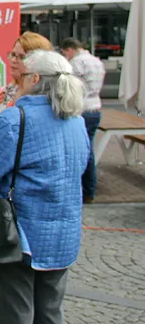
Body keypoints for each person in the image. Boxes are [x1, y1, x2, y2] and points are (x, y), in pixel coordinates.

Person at [0, 51, 89, 324]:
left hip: (21, 236)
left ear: (34, 80)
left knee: (15, 318)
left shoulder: (13, 119)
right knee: (50, 313)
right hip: (64, 235)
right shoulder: (76, 122)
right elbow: (80, 170)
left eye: (22, 76)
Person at [0, 31, 53, 324]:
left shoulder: (50, 100)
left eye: (21, 57)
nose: (14, 62)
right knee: (4, 261)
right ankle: (6, 323)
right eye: (12, 55)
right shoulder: (3, 95)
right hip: (4, 195)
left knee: (40, 273)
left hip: (36, 195)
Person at [60, 38, 106, 203]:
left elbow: (67, 85)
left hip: (81, 109)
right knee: (89, 150)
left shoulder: (77, 63)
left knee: (79, 152)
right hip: (95, 108)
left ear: (70, 50)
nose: (66, 57)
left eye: (65, 54)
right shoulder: (96, 61)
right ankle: (89, 190)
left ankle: (84, 189)